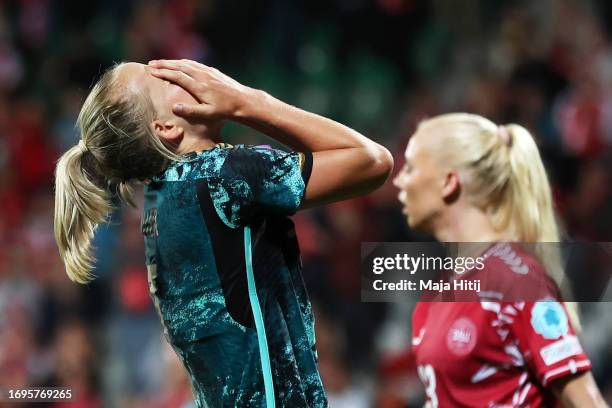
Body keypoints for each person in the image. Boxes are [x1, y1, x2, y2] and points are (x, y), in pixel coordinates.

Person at [54, 59, 393, 407]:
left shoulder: (160, 198)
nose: (186, 71)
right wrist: (247, 101)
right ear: (166, 127)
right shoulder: (222, 177)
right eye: (164, 78)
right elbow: (372, 160)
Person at [392, 113, 608, 407]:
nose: (399, 180)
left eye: (411, 168)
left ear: (448, 182)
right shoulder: (441, 287)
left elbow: (588, 402)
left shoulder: (517, 282)